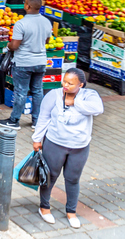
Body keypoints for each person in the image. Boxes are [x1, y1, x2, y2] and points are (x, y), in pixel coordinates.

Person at [33, 68, 103, 229]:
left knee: (72, 179)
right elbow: (43, 117)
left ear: (81, 85)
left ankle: (71, 211)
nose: (65, 85)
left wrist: (75, 102)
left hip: (79, 146)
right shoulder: (54, 95)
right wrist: (37, 139)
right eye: (64, 81)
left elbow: (98, 109)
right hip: (55, 143)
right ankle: (44, 207)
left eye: (70, 83)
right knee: (50, 177)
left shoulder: (89, 96)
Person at [0, 0, 52, 130]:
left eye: (25, 2)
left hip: (23, 62)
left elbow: (15, 45)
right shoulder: (46, 22)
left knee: (21, 92)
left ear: (27, 6)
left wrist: (8, 45)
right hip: (40, 61)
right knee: (37, 91)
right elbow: (47, 41)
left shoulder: (21, 23)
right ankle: (36, 121)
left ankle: (14, 120)